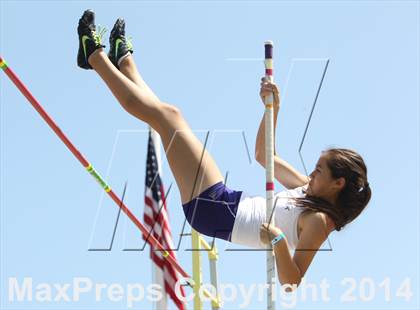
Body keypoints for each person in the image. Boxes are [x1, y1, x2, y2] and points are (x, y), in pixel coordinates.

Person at [77, 10, 372, 288]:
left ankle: (94, 55)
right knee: (168, 118)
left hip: (215, 211)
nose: (311, 171)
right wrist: (274, 109)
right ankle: (125, 62)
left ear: (338, 183)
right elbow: (264, 156)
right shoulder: (307, 190)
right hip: (222, 200)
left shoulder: (320, 222)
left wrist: (279, 239)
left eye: (319, 169)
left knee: (168, 118)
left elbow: (291, 281)